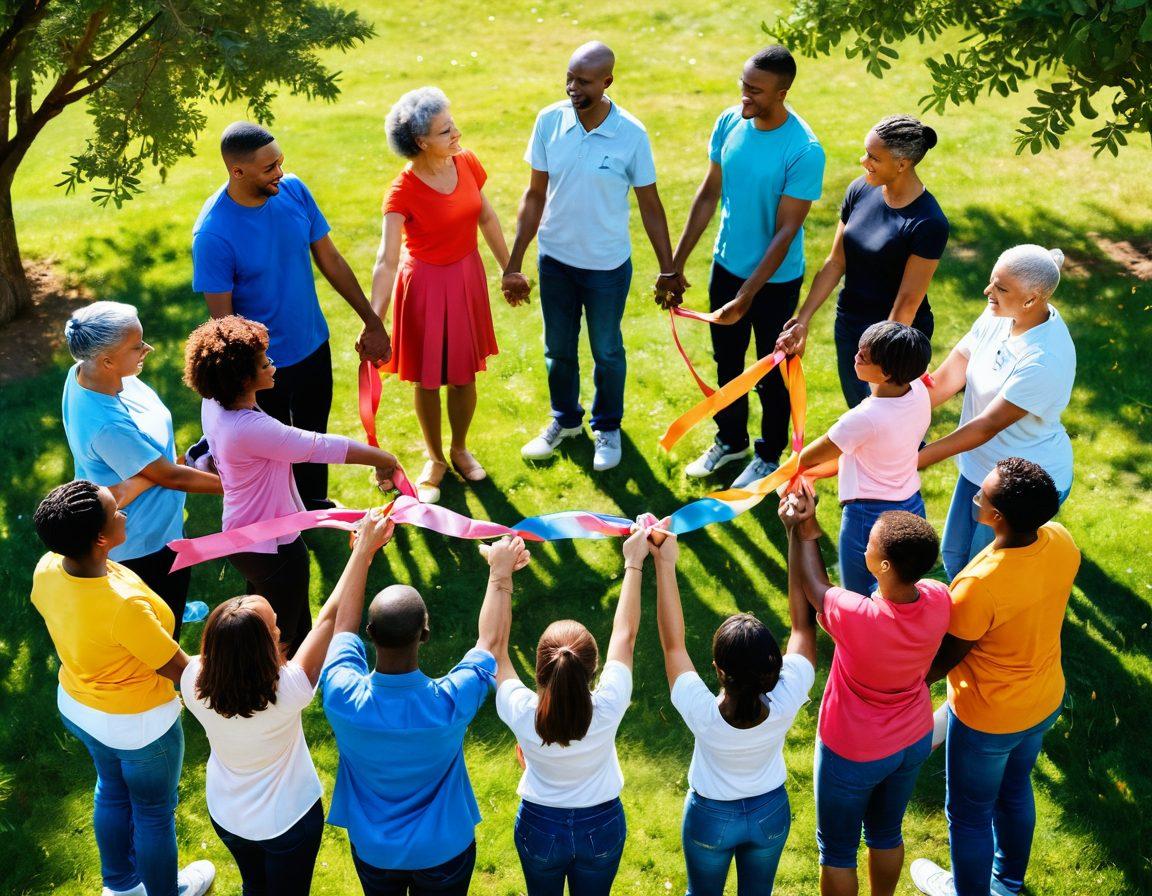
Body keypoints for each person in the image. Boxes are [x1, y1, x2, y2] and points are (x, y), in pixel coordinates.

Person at [182, 510, 395, 896]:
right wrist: (364, 549)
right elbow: (330, 619)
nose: (282, 629)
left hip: (227, 814)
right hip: (289, 821)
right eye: (275, 627)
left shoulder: (192, 679)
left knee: (254, 885)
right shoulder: (289, 690)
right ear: (261, 649)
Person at [192, 121, 391, 510]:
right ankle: (284, 520)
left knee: (314, 431)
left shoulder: (294, 191)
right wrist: (245, 379)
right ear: (238, 172)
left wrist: (372, 320)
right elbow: (223, 326)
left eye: (280, 162)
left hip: (313, 344)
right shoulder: (213, 234)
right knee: (275, 451)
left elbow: (330, 258)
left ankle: (314, 504)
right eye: (269, 168)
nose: (280, 173)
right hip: (263, 367)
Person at [29, 480, 215, 896]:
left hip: (79, 706)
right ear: (99, 538)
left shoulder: (47, 568)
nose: (124, 514)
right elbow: (180, 670)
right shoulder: (124, 608)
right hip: (140, 727)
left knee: (111, 789)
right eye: (116, 512)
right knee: (153, 814)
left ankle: (120, 886)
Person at [503, 41, 682, 472]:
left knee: (607, 350)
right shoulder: (549, 122)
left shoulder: (631, 134)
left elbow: (650, 204)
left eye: (582, 81)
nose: (571, 88)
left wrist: (668, 268)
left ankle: (607, 426)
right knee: (558, 349)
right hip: (556, 262)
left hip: (606, 266)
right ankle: (564, 420)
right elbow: (534, 194)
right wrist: (514, 262)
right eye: (569, 77)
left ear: (607, 82)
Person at [321, 534, 530, 896]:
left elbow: (341, 627)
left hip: (375, 851)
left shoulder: (341, 696)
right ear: (426, 633)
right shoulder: (450, 703)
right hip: (444, 852)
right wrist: (500, 575)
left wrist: (364, 552)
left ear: (370, 634)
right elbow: (491, 645)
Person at [183, 315, 401, 656]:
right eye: (265, 362)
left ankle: (258, 680)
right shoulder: (248, 429)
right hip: (274, 547)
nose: (273, 367)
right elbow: (320, 446)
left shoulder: (215, 401)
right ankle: (278, 690)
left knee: (261, 623)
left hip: (245, 538)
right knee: (288, 635)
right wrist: (385, 459)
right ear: (241, 378)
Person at [912, 458, 1081, 896]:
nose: (974, 497)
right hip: (1043, 701)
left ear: (995, 517)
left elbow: (939, 663)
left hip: (989, 718)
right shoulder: (1061, 542)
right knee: (1014, 789)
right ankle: (1007, 882)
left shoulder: (979, 586)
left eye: (980, 494)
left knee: (969, 815)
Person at [669, 45, 826, 487]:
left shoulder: (803, 150)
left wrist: (747, 295)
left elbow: (786, 231)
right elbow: (707, 194)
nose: (744, 97)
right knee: (727, 363)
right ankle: (731, 439)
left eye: (755, 91)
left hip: (774, 281)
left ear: (782, 93)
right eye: (743, 85)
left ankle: (768, 453)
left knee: (771, 371)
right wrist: (675, 265)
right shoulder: (729, 123)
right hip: (727, 268)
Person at [782, 488, 950, 896]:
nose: (865, 549)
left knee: (837, 850)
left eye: (871, 545)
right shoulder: (938, 598)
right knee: (886, 832)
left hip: (853, 750)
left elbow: (816, 587)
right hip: (912, 739)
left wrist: (802, 527)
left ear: (885, 564)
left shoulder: (858, 617)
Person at [654, 524, 818, 895]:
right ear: (772, 665)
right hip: (770, 813)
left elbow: (672, 644)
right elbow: (803, 626)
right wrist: (794, 531)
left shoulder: (701, 711)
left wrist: (664, 564)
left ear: (718, 670)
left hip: (711, 817)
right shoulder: (789, 692)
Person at [372, 87, 514, 503]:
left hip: (466, 277)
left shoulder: (465, 161)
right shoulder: (401, 192)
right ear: (421, 142)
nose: (457, 133)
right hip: (426, 288)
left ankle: (459, 448)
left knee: (464, 374)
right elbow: (385, 259)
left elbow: (485, 215)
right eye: (446, 130)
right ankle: (435, 457)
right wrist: (373, 318)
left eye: (453, 125)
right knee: (429, 378)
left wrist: (510, 268)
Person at [494, 526, 648, 895]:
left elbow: (495, 647)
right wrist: (634, 562)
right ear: (592, 669)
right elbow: (625, 634)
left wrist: (499, 576)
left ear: (539, 668)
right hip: (602, 824)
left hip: (539, 824)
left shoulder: (520, 709)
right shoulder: (609, 704)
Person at [61, 301, 222, 637]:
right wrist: (238, 485)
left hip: (159, 521)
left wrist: (152, 472)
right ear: (106, 360)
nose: (147, 349)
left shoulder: (92, 373)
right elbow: (171, 476)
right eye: (137, 346)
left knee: (166, 597)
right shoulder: (106, 425)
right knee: (162, 624)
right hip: (142, 542)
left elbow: (158, 470)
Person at [916, 245, 1075, 578]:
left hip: (1024, 485)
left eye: (1001, 289)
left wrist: (915, 459)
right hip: (981, 466)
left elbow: (986, 426)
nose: (988, 292)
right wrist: (898, 409)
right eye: (993, 282)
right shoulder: (997, 314)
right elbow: (949, 375)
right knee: (955, 556)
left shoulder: (1044, 359)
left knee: (986, 572)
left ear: (1032, 300)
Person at [776, 115, 948, 407]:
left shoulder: (928, 222)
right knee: (859, 411)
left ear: (902, 163)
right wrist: (802, 320)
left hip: (894, 338)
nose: (863, 160)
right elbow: (835, 262)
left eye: (873, 157)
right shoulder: (860, 190)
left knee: (889, 420)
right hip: (850, 323)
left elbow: (907, 302)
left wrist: (878, 355)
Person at [797, 321, 933, 595]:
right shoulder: (917, 389)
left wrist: (793, 466)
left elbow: (809, 457)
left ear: (886, 372)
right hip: (912, 506)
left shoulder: (862, 419)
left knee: (860, 596)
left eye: (863, 356)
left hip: (867, 517)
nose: (855, 356)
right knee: (901, 587)